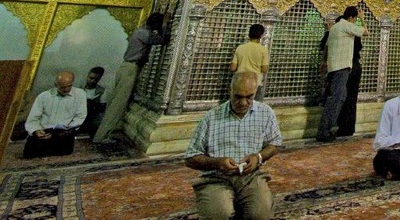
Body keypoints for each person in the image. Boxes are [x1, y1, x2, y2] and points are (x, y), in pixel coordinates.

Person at [185, 71, 282, 220]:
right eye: (238, 97)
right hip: (217, 178)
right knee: (218, 215)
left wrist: (259, 157)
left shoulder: (265, 113)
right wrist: (217, 163)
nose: (243, 103)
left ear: (255, 92)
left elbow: (275, 144)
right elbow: (191, 158)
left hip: (251, 176)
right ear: (230, 91)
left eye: (249, 97)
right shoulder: (212, 117)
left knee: (261, 214)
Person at [94, 12, 168, 144]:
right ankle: (102, 136)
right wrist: (165, 24)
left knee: (117, 101)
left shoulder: (141, 31)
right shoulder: (144, 33)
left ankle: (109, 131)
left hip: (127, 68)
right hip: (130, 69)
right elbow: (162, 40)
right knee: (118, 104)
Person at [316, 6, 367, 142]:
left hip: (335, 67)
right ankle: (324, 131)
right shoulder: (346, 26)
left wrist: (324, 62)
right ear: (351, 18)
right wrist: (362, 19)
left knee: (340, 97)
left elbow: (326, 46)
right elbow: (366, 32)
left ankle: (330, 128)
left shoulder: (334, 28)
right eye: (355, 18)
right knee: (336, 98)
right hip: (343, 66)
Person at [23, 71, 87, 158]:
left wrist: (69, 128)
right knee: (29, 153)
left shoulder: (80, 94)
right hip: (44, 131)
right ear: (56, 85)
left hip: (64, 132)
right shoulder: (43, 96)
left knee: (62, 150)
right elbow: (32, 119)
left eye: (69, 86)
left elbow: (80, 116)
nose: (66, 89)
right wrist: (36, 131)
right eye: (63, 87)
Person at [335, 18, 363, 137]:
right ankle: (348, 128)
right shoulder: (353, 31)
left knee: (343, 97)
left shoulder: (340, 31)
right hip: (354, 65)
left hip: (346, 65)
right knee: (350, 98)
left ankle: (343, 127)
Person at [231, 24, 269, 92]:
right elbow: (264, 69)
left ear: (249, 34)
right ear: (261, 35)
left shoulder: (240, 48)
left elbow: (233, 68)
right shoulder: (263, 50)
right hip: (255, 83)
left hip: (240, 81)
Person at [80, 66, 107, 137]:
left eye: (96, 79)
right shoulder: (79, 88)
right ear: (87, 76)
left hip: (92, 119)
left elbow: (102, 110)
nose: (92, 81)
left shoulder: (101, 91)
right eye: (91, 78)